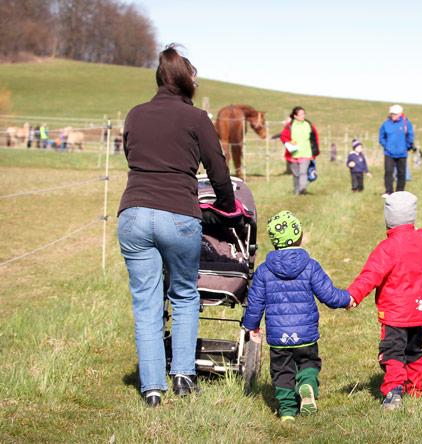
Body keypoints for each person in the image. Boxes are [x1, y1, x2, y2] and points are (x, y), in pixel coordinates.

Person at [117, 44, 236, 407]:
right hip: (179, 214)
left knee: (146, 302)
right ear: (187, 82)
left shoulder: (135, 114)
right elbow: (217, 168)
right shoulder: (197, 118)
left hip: (134, 214)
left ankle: (152, 388)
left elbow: (130, 155)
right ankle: (183, 375)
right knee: (184, 295)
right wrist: (227, 208)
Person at [243, 211, 352, 422]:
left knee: (281, 371)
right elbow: (328, 295)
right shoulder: (310, 266)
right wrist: (347, 299)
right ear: (300, 236)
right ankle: (307, 386)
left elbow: (255, 303)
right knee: (308, 362)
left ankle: (286, 413)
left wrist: (251, 326)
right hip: (306, 333)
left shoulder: (264, 271)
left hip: (278, 336)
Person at [347, 192, 422, 410]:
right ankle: (417, 389)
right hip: (419, 309)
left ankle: (394, 391)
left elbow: (370, 275)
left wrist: (353, 295)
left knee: (393, 352)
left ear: (388, 218)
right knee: (414, 350)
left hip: (396, 313)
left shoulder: (387, 248)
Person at [280, 107, 319, 195]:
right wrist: (288, 143)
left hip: (306, 153)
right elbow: (283, 136)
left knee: (303, 172)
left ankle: (302, 189)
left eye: (303, 114)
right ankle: (297, 191)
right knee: (296, 174)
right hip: (293, 154)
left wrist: (315, 151)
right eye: (300, 114)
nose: (303, 116)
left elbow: (314, 138)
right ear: (295, 116)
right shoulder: (290, 126)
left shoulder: (308, 124)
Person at [379, 105, 413, 198]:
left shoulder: (406, 123)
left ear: (400, 114)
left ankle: (400, 192)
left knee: (401, 173)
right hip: (389, 153)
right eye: (392, 113)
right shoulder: (386, 124)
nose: (393, 115)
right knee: (388, 172)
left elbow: (410, 136)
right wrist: (386, 146)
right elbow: (381, 137)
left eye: (395, 113)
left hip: (402, 153)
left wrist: (407, 147)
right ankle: (388, 191)